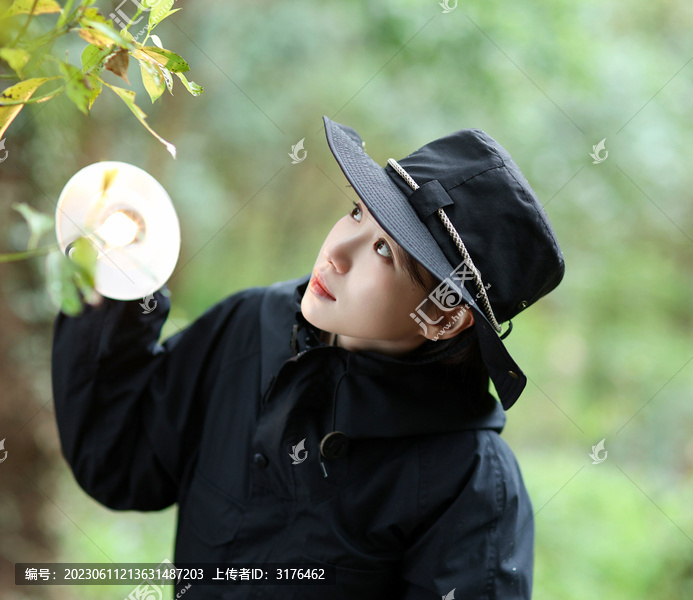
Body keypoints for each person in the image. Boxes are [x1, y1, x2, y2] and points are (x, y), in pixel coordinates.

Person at [51, 116, 565, 599]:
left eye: (386, 252)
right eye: (358, 212)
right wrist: (113, 301)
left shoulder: (470, 484)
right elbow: (121, 460)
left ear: (445, 316)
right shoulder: (254, 325)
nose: (337, 253)